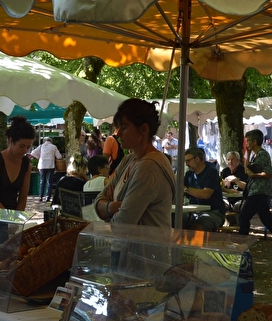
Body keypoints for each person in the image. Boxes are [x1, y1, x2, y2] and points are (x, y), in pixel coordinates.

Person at [95, 99, 175, 227]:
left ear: (143, 129)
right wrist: (113, 206)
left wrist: (108, 207)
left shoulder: (149, 167)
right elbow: (98, 202)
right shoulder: (129, 160)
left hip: (145, 240)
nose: (118, 133)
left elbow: (122, 224)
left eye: (124, 127)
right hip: (131, 240)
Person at [0, 116, 35, 210]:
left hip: (12, 213)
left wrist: (17, 216)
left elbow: (23, 198)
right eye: (21, 146)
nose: (25, 151)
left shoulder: (26, 165)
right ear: (10, 141)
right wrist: (8, 217)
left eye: (28, 147)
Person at [238, 129, 272, 236]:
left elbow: (269, 173)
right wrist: (248, 154)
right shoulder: (255, 155)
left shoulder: (262, 154)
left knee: (243, 217)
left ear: (254, 142)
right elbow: (247, 170)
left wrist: (254, 175)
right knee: (266, 217)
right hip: (255, 190)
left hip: (259, 191)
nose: (247, 143)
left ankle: (243, 240)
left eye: (248, 141)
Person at [183, 147, 226, 231]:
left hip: (213, 212)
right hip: (193, 212)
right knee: (173, 220)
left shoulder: (211, 172)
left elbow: (206, 194)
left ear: (197, 159)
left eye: (188, 161)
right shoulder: (189, 174)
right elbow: (179, 193)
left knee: (197, 228)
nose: (186, 164)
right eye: (185, 161)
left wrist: (185, 189)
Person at [30, 137, 62, 203]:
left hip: (42, 165)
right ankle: (47, 197)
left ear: (45, 141)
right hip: (50, 165)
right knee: (49, 182)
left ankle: (40, 197)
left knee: (42, 181)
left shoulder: (41, 146)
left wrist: (39, 157)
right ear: (51, 141)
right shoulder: (54, 147)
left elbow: (32, 153)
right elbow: (59, 156)